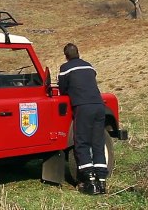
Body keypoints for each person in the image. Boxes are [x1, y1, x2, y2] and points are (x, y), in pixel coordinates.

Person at [58, 43, 107, 195]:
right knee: (98, 142)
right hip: (99, 105)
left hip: (83, 107)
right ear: (78, 53)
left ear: (66, 56)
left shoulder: (65, 69)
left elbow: (62, 89)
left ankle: (90, 182)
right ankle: (102, 181)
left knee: (82, 142)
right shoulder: (89, 66)